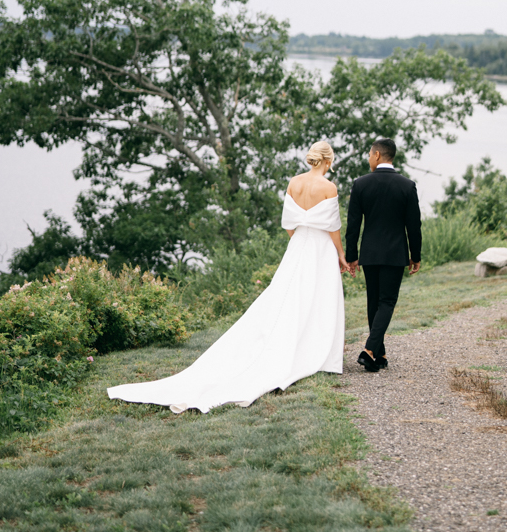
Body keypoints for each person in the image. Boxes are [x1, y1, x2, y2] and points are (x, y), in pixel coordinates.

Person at [107, 140, 347, 412]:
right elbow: (333, 226)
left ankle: (296, 345)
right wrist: (340, 253)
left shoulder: (294, 183)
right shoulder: (329, 188)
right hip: (320, 248)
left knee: (286, 296)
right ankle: (316, 352)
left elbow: (289, 224)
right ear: (327, 161)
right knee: (319, 297)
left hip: (298, 245)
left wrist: (299, 240)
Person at [346, 137, 422, 373]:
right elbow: (414, 225)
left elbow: (353, 225)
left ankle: (379, 354)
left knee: (374, 301)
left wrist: (352, 256)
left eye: (370, 154)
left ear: (377, 155)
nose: (369, 158)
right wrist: (415, 255)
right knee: (387, 301)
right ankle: (369, 350)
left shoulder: (361, 184)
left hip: (369, 253)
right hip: (395, 253)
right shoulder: (407, 185)